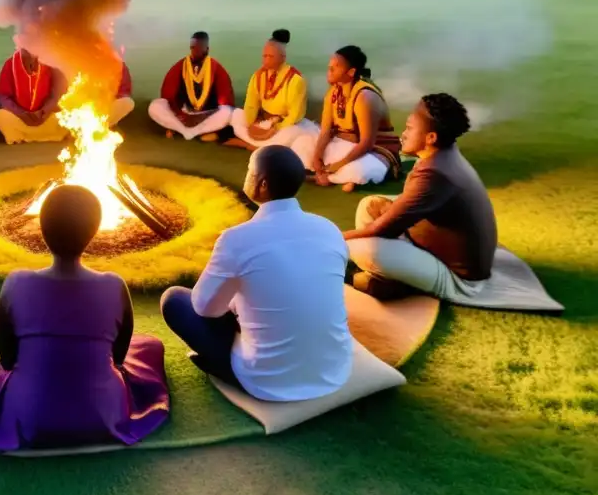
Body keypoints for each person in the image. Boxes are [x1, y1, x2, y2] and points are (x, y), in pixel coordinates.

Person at [0, 185, 169, 450]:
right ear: (94, 231)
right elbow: (120, 358)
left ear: (42, 229)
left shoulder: (16, 282)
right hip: (102, 415)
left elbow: (7, 359)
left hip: (27, 417)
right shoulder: (114, 285)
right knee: (149, 347)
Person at [161, 146, 352, 401]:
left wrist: (234, 302)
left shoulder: (237, 239)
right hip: (334, 370)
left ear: (261, 184)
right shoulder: (329, 229)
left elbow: (204, 308)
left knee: (174, 300)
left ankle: (222, 366)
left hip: (268, 382)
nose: (247, 175)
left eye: (250, 170)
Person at [344, 94, 498, 302]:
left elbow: (379, 230)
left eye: (409, 128)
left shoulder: (435, 174)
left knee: (361, 248)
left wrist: (321, 238)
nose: (404, 133)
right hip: (432, 249)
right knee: (370, 204)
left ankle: (389, 282)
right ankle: (387, 280)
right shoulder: (441, 156)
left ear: (431, 137)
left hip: (459, 279)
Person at [292, 45, 402, 192]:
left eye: (335, 67)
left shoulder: (364, 97)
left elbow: (366, 143)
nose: (329, 70)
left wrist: (336, 166)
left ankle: (326, 177)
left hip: (374, 152)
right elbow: (325, 132)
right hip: (343, 144)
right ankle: (333, 177)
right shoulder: (333, 93)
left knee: (359, 170)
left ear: (351, 72)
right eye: (329, 66)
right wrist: (317, 158)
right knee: (301, 143)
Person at [228, 29, 315, 151]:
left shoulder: (295, 80)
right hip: (263, 120)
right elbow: (251, 105)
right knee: (236, 115)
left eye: (271, 56)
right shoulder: (258, 76)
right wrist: (252, 124)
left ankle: (252, 145)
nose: (266, 60)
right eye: (264, 56)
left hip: (285, 124)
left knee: (291, 133)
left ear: (282, 58)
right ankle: (259, 144)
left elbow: (295, 115)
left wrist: (275, 128)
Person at [148, 31, 234, 142]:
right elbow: (168, 95)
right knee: (156, 106)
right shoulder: (181, 66)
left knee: (228, 111)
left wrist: (204, 116)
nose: (194, 51)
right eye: (192, 47)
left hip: (208, 115)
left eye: (198, 48)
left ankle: (190, 132)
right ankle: (186, 131)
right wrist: (180, 114)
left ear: (207, 49)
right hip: (184, 114)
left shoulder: (216, 68)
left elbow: (225, 100)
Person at [0, 48, 69, 144]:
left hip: (46, 117)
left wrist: (45, 111)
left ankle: (47, 135)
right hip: (20, 117)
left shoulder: (53, 63)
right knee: (1, 116)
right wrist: (20, 113)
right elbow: (3, 97)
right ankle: (21, 136)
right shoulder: (11, 64)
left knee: (68, 115)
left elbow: (58, 94)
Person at [109, 59, 135, 127]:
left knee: (127, 102)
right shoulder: (80, 61)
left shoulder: (118, 65)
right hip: (81, 105)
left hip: (108, 104)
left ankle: (99, 126)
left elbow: (124, 90)